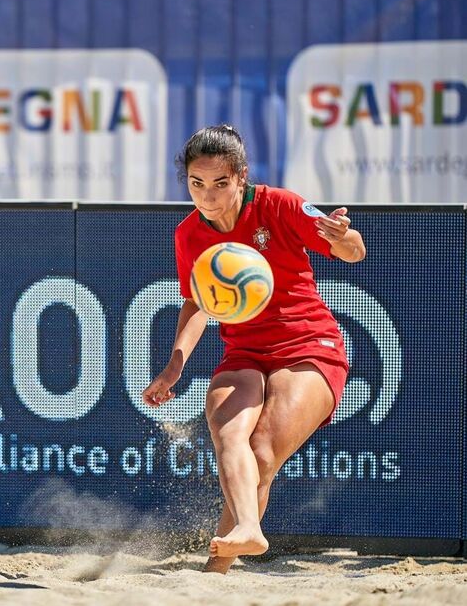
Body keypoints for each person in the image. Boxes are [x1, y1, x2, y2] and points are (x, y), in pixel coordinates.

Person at [142, 124, 366, 574]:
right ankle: (246, 529)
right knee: (228, 434)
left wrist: (340, 234)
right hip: (243, 352)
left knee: (262, 452)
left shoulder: (278, 204)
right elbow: (198, 304)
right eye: (196, 183)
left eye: (220, 183)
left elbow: (355, 252)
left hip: (307, 346)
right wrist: (172, 368)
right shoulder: (189, 235)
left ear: (241, 177)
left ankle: (216, 572)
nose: (207, 196)